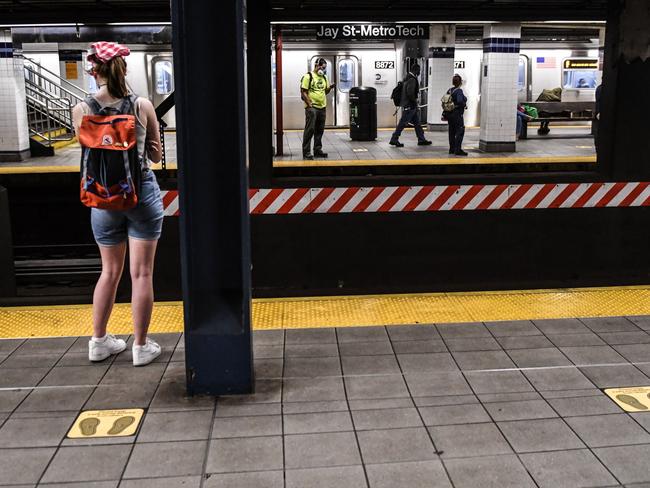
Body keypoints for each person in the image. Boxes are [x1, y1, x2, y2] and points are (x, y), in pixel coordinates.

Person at [72, 41, 164, 367]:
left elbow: (88, 155)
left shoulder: (81, 110)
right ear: (123, 68)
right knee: (141, 273)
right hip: (140, 194)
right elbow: (155, 155)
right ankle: (141, 346)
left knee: (109, 271)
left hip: (102, 198)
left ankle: (99, 341)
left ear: (93, 70)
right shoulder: (141, 106)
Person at [389, 62, 431, 148]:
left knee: (417, 123)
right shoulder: (412, 79)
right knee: (403, 123)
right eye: (419, 70)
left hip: (409, 105)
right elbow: (410, 92)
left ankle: (421, 139)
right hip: (410, 105)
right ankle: (394, 138)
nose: (419, 72)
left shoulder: (407, 77)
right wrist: (415, 101)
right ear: (415, 70)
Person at [300, 58, 335, 160]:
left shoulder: (324, 77)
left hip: (322, 107)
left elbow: (325, 91)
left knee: (319, 130)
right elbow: (303, 91)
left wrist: (330, 87)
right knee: (309, 130)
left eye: (324, 68)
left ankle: (317, 150)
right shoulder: (308, 76)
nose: (322, 69)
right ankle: (306, 152)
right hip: (312, 107)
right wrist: (309, 104)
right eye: (320, 67)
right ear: (316, 65)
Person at [444, 74, 468, 156]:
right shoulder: (459, 91)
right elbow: (460, 101)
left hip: (450, 115)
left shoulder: (449, 90)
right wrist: (464, 104)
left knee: (451, 132)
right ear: (460, 82)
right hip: (457, 114)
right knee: (460, 131)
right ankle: (458, 150)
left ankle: (452, 149)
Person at [594, 83, 602, 152]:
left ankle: (598, 147)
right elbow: (598, 101)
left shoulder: (599, 88)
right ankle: (598, 147)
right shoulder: (600, 89)